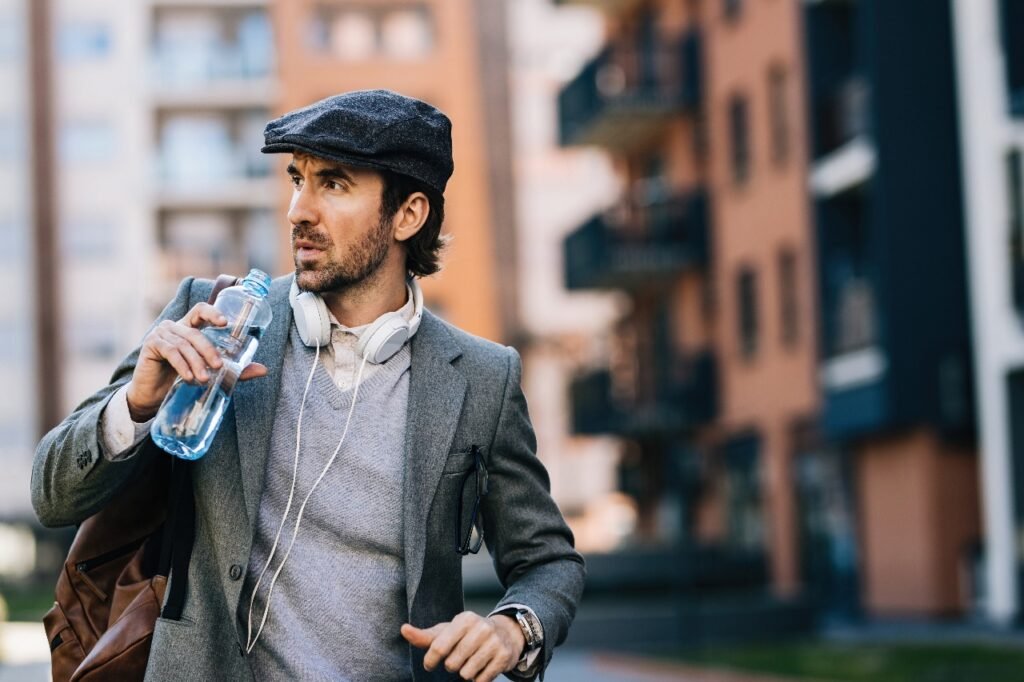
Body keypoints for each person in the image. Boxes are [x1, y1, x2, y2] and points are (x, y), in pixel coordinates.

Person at [32, 89, 585, 681]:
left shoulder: (481, 377)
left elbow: (548, 561)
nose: (298, 208)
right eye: (298, 178)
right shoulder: (212, 318)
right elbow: (53, 494)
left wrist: (512, 627)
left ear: (408, 215)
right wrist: (137, 404)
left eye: (334, 184)